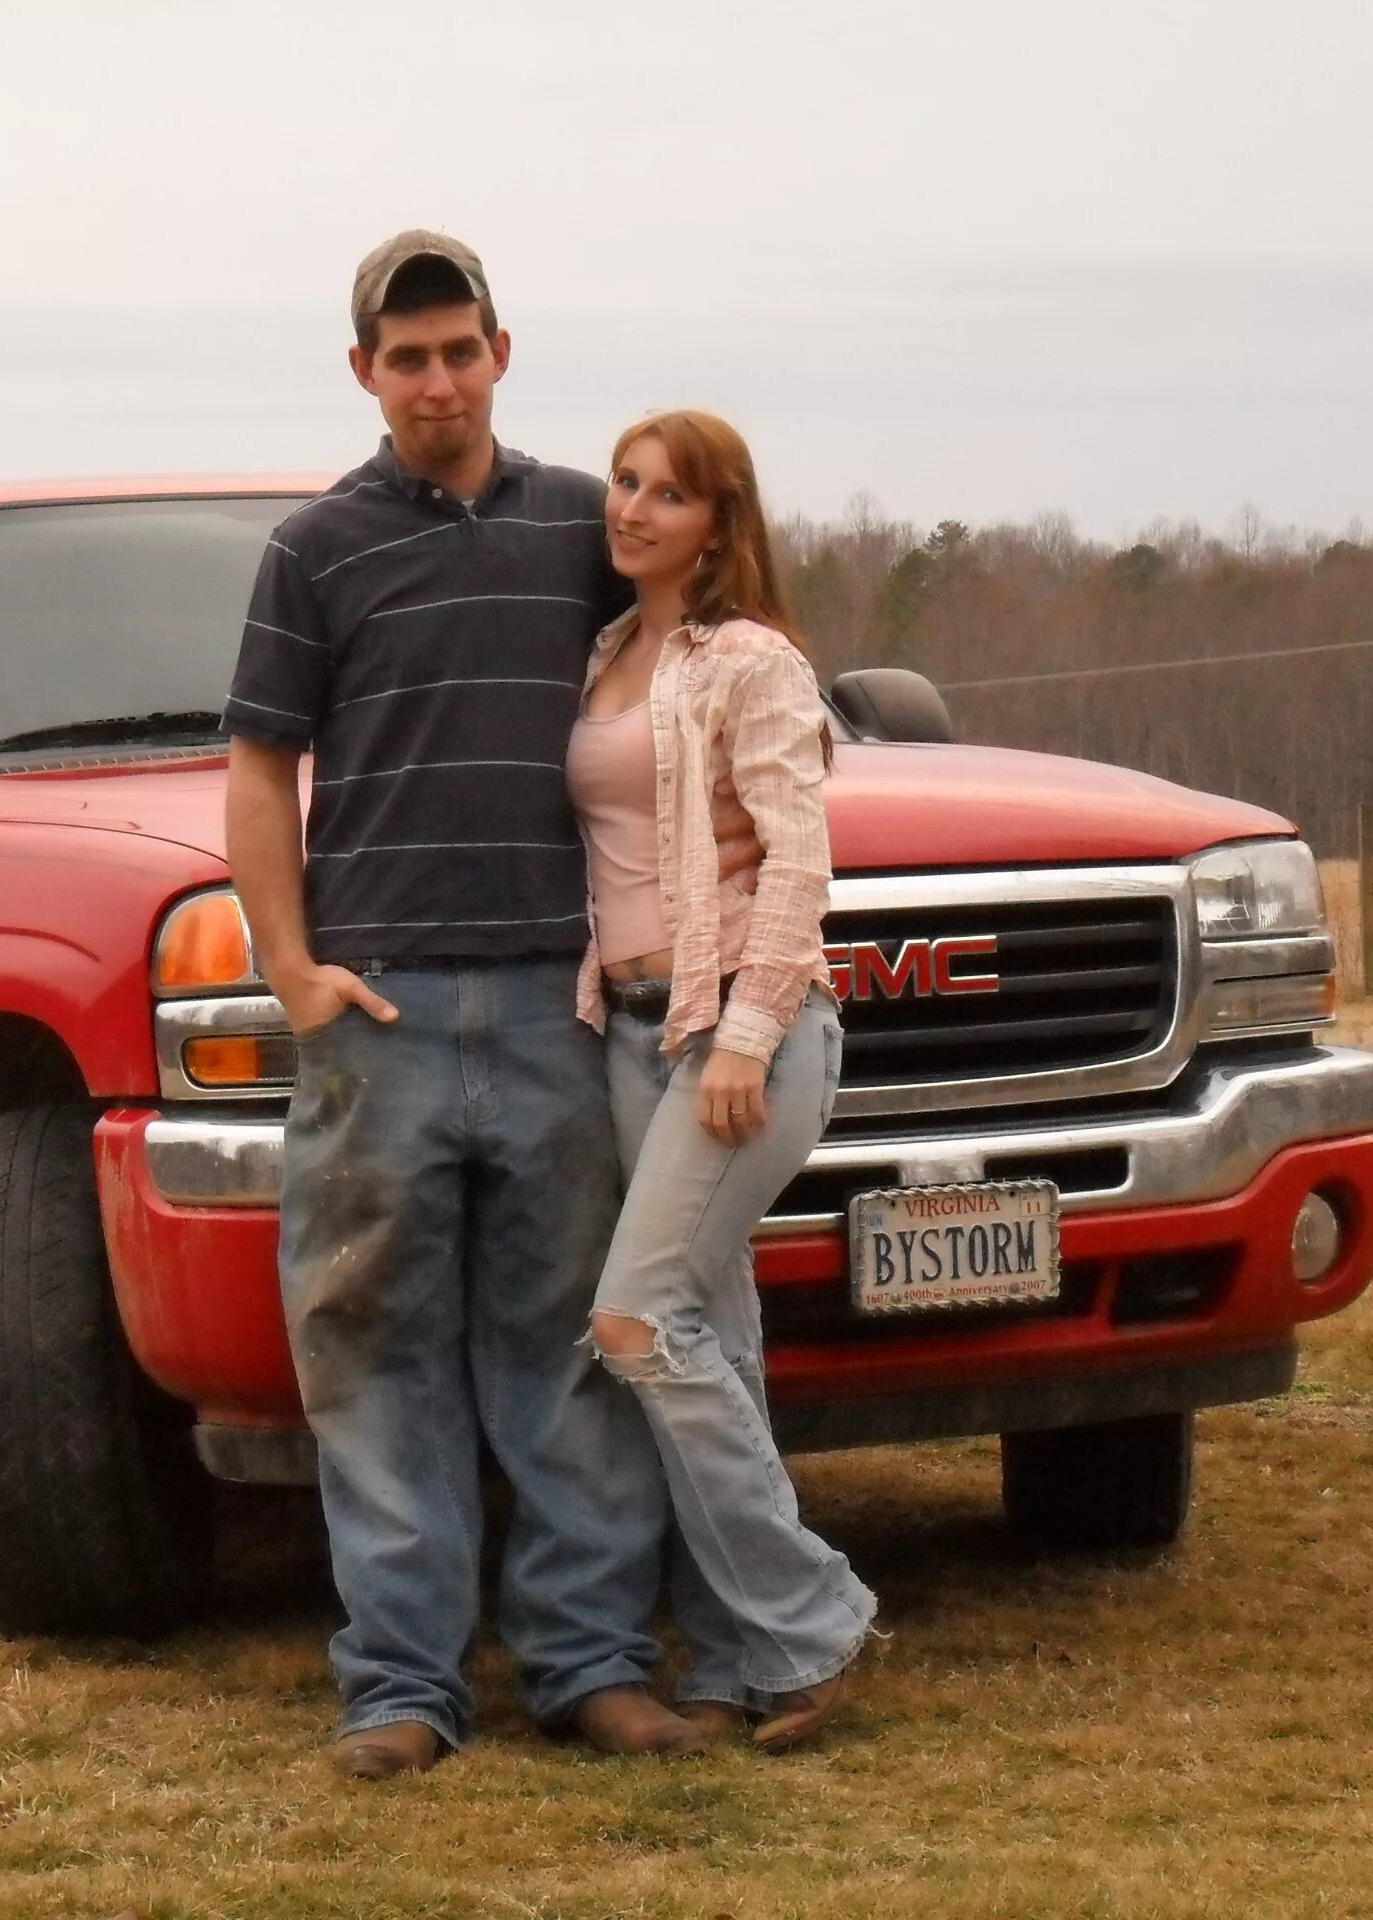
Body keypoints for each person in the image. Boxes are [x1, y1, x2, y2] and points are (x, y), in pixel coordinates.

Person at [222, 232, 707, 1777]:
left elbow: (694, 680)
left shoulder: (585, 527)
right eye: (406, 356)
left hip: (562, 1009)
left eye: (460, 349)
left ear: (504, 349)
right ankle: (403, 1690)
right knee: (375, 1357)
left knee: (568, 1351)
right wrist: (294, 972)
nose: (437, 380)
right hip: (386, 1018)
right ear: (363, 372)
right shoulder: (315, 551)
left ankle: (588, 1667)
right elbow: (257, 770)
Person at [569, 408, 877, 1752]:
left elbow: (800, 863)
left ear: (719, 521)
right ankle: (743, 1654)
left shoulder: (750, 661)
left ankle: (812, 1616)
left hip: (739, 1034)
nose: (632, 508)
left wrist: (748, 1033)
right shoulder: (605, 656)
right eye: (624, 483)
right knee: (717, 1340)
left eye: (668, 494)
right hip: (633, 1030)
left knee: (635, 1325)